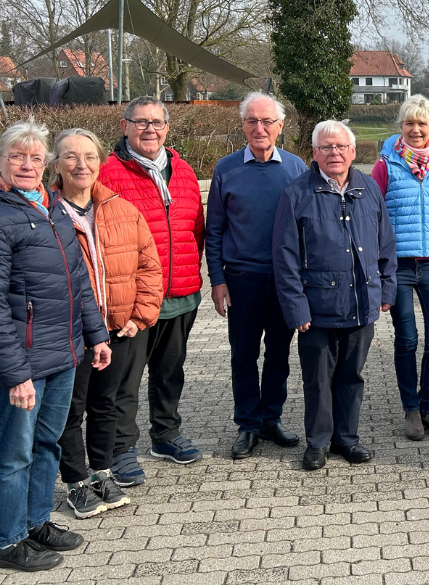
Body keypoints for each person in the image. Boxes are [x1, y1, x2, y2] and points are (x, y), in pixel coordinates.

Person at [0, 119, 111, 571]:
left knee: (47, 445)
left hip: (62, 354)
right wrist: (14, 373)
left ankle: (37, 522)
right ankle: (6, 541)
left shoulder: (49, 207)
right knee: (13, 453)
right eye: (18, 156)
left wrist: (96, 335)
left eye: (36, 157)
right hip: (22, 363)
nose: (28, 164)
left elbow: (77, 281)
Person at [51, 128, 164, 518]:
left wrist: (139, 316)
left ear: (100, 161)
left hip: (119, 329)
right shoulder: (47, 213)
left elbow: (149, 266)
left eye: (89, 156)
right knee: (71, 410)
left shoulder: (121, 208)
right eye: (71, 156)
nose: (81, 164)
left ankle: (101, 473)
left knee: (106, 405)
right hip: (72, 334)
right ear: (57, 163)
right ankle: (76, 482)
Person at [273, 120, 397, 471]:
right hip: (317, 308)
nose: (334, 153)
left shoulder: (369, 189)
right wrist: (297, 309)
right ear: (314, 153)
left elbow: (385, 243)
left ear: (353, 151)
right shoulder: (296, 194)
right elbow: (285, 257)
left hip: (361, 303)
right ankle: (318, 442)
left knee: (352, 376)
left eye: (341, 146)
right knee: (317, 379)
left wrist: (387, 288)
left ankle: (347, 438)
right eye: (326, 147)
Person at [99, 96, 206, 481]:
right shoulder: (107, 173)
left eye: (157, 122)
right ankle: (120, 447)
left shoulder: (184, 170)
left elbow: (196, 228)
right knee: (125, 377)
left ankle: (166, 433)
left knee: (169, 371)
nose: (149, 129)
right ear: (124, 125)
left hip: (181, 292)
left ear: (167, 127)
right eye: (141, 121)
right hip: (131, 299)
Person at [207, 92, 309, 459]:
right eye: (252, 120)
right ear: (243, 125)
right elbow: (214, 229)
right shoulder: (226, 169)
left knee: (279, 355)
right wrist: (216, 280)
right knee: (243, 355)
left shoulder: (296, 168)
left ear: (281, 126)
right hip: (242, 279)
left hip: (284, 281)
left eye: (267, 121)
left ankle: (271, 418)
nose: (259, 128)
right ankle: (247, 424)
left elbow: (305, 228)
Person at [370, 95, 429, 441]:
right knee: (407, 339)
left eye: (422, 123)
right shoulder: (385, 165)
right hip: (399, 267)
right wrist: (379, 269)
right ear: (401, 127)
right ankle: (411, 409)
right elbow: (375, 218)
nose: (416, 129)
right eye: (410, 123)